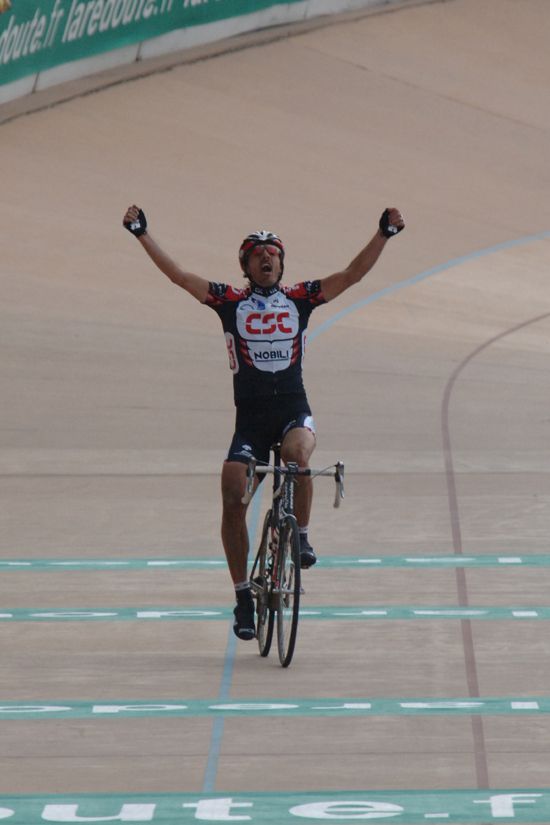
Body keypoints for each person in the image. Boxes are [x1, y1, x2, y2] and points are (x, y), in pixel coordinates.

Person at [122, 204, 405, 640]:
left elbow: (351, 275)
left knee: (297, 455)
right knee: (233, 495)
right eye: (257, 254)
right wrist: (142, 233)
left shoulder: (301, 298)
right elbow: (178, 275)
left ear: (282, 262)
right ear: (246, 265)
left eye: (273, 252)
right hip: (250, 420)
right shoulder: (228, 301)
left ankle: (303, 536)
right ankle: (241, 599)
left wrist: (383, 233)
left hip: (293, 409)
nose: (266, 258)